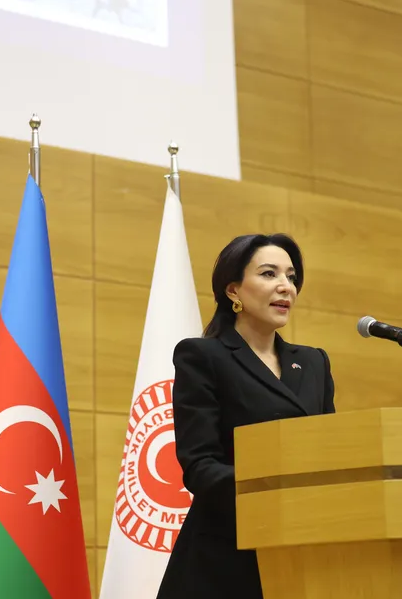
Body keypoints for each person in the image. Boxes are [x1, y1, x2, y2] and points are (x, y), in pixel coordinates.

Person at [155, 233, 336, 599]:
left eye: (291, 277)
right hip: (225, 555)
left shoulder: (314, 362)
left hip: (302, 548)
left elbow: (332, 452)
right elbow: (200, 465)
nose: (285, 286)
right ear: (233, 290)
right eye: (269, 274)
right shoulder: (203, 356)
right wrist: (274, 490)